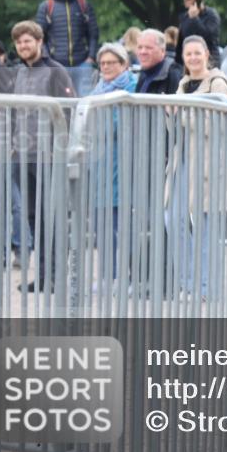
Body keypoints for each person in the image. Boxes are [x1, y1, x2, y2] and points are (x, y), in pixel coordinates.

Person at [8, 21, 75, 292]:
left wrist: (59, 147)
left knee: (53, 217)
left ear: (39, 41)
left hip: (49, 156)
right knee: (35, 217)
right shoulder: (19, 74)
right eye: (19, 42)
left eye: (28, 41)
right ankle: (44, 276)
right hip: (24, 156)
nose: (23, 46)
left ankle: (58, 277)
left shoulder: (56, 72)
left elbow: (68, 112)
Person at [172, 36, 227, 296]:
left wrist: (181, 114)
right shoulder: (183, 84)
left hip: (207, 162)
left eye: (197, 53)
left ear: (207, 54)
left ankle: (207, 286)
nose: (193, 58)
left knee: (206, 226)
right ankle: (187, 282)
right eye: (188, 54)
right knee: (172, 218)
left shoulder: (218, 83)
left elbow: (212, 125)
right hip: (181, 159)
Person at [89, 42, 137, 279]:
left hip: (122, 162)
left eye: (111, 62)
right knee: (102, 226)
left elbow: (119, 124)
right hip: (100, 165)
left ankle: (125, 275)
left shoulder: (131, 86)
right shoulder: (98, 88)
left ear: (124, 64)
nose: (106, 67)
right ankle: (108, 275)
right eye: (102, 63)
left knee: (121, 225)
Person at [36, 0, 100, 96]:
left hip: (83, 65)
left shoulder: (83, 4)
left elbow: (93, 34)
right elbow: (40, 38)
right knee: (60, 105)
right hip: (57, 65)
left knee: (85, 105)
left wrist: (91, 58)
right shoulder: (46, 6)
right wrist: (48, 61)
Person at [176, 0, 221, 66]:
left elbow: (208, 37)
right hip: (189, 62)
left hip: (209, 62)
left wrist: (195, 19)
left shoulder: (211, 15)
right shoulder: (185, 16)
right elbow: (183, 40)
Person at [135, 29, 183, 94]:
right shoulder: (143, 73)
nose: (143, 52)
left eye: (148, 47)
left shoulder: (173, 74)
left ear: (162, 51)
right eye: (140, 47)